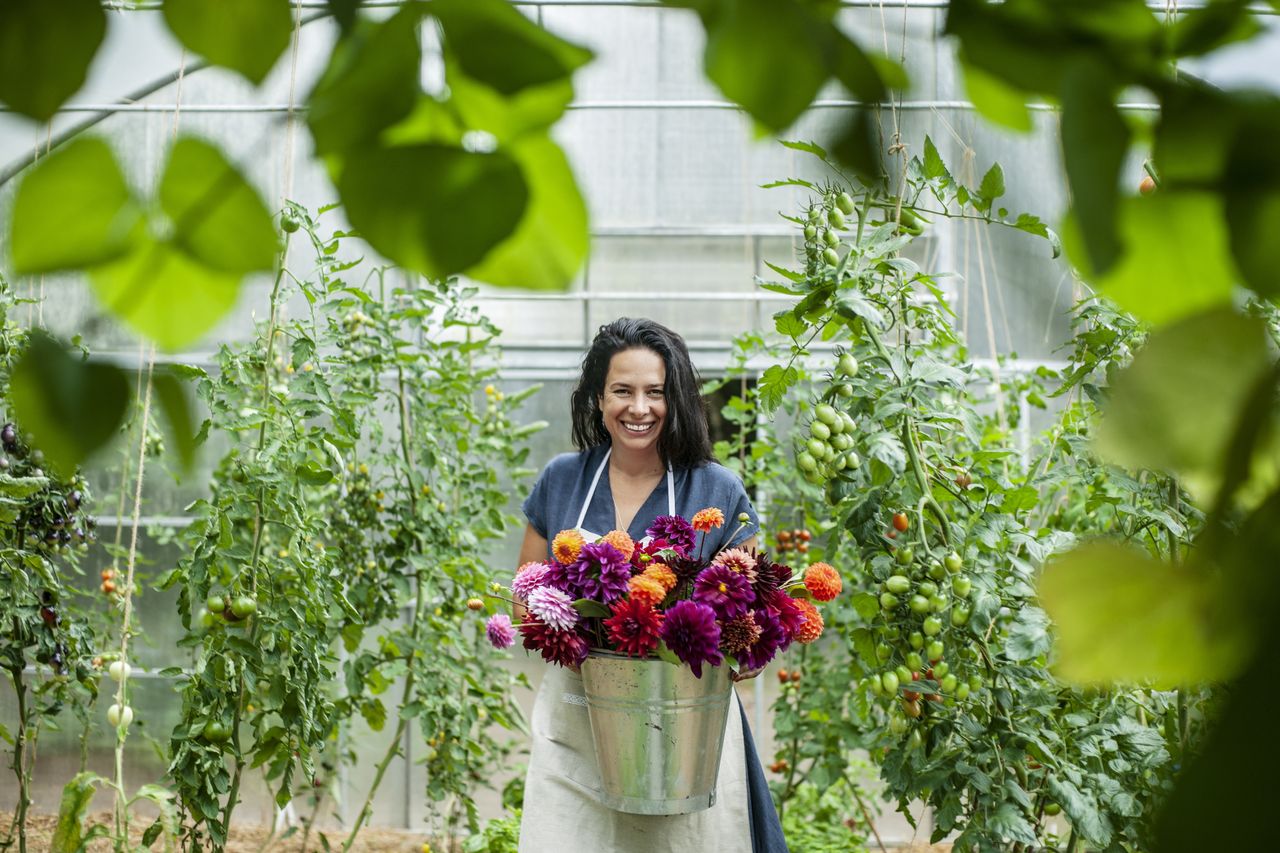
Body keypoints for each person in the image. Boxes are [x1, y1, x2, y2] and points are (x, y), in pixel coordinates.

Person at [516, 318, 788, 852]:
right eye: (622, 391)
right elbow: (526, 592)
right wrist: (567, 621)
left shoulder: (715, 486)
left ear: (677, 400)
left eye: (655, 393)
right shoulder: (562, 478)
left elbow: (759, 614)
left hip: (683, 727)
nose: (638, 408)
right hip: (579, 718)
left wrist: (742, 647)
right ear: (598, 398)